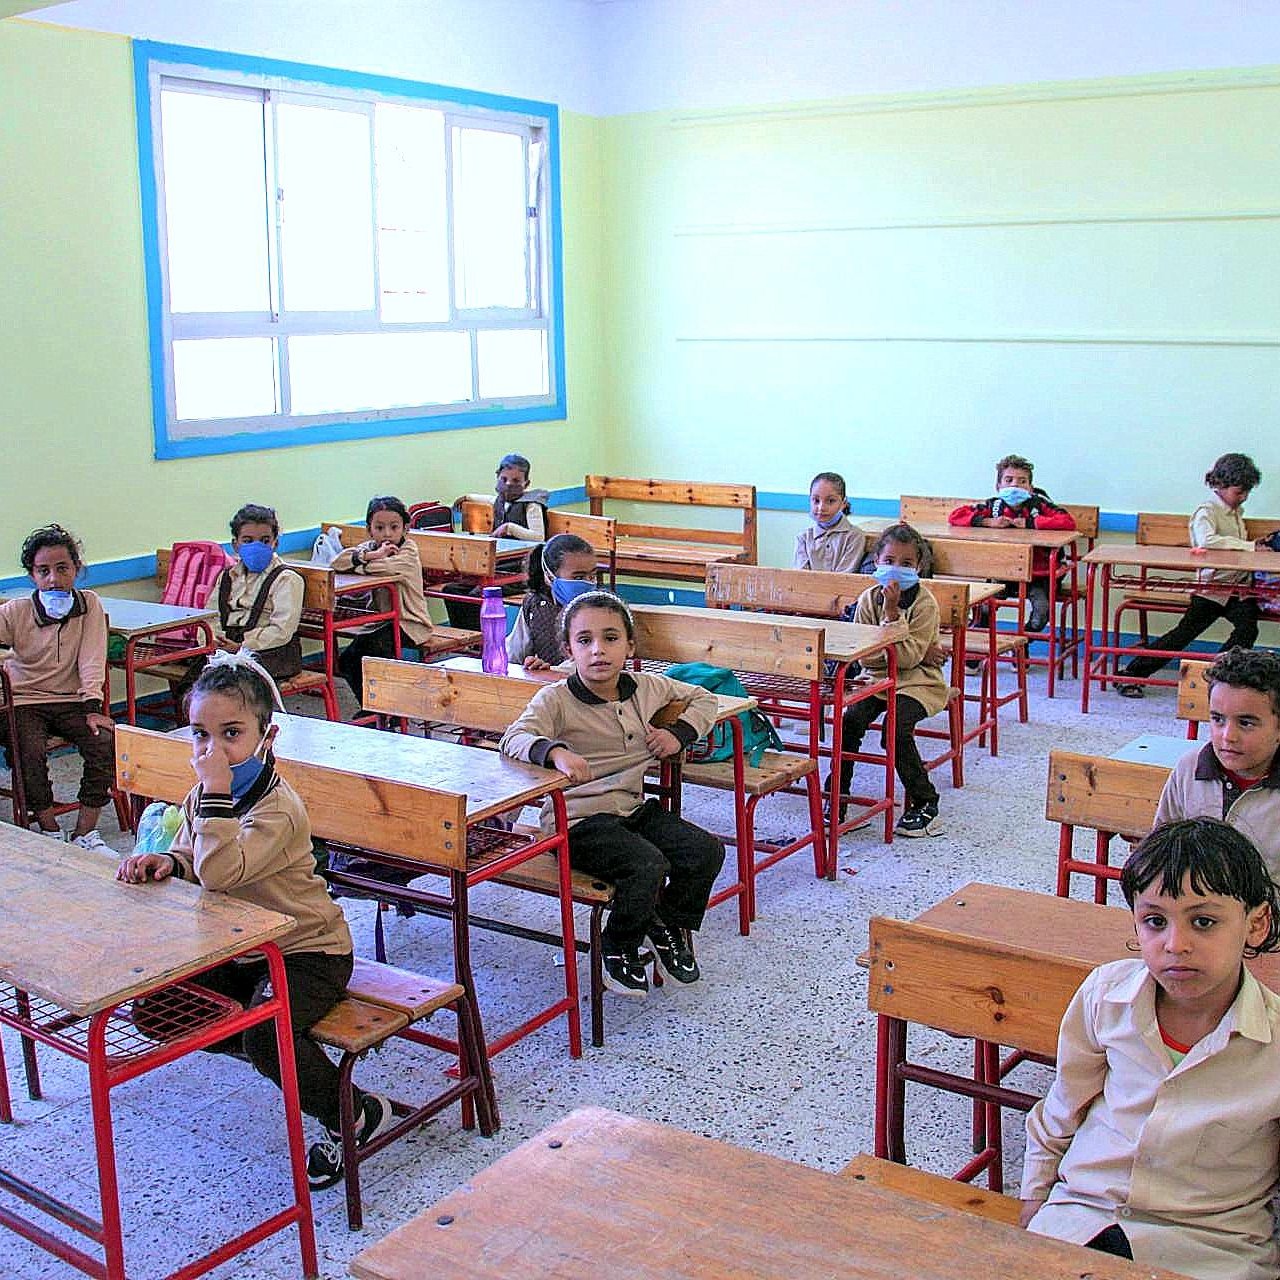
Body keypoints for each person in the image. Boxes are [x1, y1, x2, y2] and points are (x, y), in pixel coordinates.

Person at [115, 655, 392, 1190]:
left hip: (309, 950)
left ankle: (353, 1112)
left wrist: (214, 793)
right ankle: (281, 1054)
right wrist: (168, 861)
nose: (212, 750)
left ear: (268, 736)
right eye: (200, 734)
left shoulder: (277, 807)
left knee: (268, 1035)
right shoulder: (205, 793)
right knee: (155, 1013)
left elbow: (220, 872)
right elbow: (193, 853)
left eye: (232, 733)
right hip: (244, 949)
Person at [1021, 817, 1280, 1278]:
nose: (1175, 945)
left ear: (1256, 924)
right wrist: (1032, 1207)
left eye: (1204, 922)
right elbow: (1062, 1107)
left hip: (1212, 1248)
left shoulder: (1274, 1044)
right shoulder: (1106, 995)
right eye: (1155, 922)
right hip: (1083, 1216)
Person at [498, 591, 725, 997]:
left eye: (611, 638)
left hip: (631, 810)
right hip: (579, 821)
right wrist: (556, 752)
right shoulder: (556, 699)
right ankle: (617, 946)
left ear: (630, 646)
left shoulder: (645, 688)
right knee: (646, 864)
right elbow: (512, 737)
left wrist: (679, 733)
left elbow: (704, 697)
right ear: (568, 650)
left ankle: (664, 923)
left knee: (705, 851)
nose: (598, 651)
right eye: (584, 641)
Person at [0, 524, 114, 851]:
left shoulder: (89, 605)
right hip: (24, 702)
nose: (53, 579)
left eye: (62, 568)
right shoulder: (16, 611)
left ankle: (86, 833)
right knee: (28, 750)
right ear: (32, 576)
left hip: (73, 701)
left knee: (103, 741)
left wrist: (93, 708)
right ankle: (49, 830)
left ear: (76, 570)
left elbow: (92, 659)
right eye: (43, 571)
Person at [1120, 453, 1271, 696]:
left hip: (1237, 591)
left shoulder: (1236, 513)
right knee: (1182, 635)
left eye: (1246, 493)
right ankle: (1130, 674)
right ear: (1220, 485)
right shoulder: (1207, 510)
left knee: (1247, 630)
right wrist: (1250, 546)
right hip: (1212, 588)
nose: (1242, 497)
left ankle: (1220, 677)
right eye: (1238, 491)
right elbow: (1207, 541)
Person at [838, 524, 948, 838]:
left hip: (919, 683)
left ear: (920, 567)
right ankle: (839, 797)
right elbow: (864, 656)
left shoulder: (924, 604)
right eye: (889, 560)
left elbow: (910, 661)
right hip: (875, 678)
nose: (896, 569)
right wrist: (899, 650)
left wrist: (891, 616)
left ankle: (925, 802)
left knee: (895, 730)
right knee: (850, 721)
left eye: (906, 563)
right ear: (876, 560)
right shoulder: (868, 598)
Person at [1153, 648, 1280, 880]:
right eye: (1218, 719)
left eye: (1246, 723)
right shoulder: (1188, 769)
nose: (1227, 736)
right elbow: (1162, 853)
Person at [948, 453, 1076, 634]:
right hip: (1004, 572)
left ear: (1030, 487)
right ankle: (980, 644)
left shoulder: (1040, 505)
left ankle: (1023, 644)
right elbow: (955, 516)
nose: (1015, 485)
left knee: (1042, 611)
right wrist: (986, 522)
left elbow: (1067, 522)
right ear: (998, 486)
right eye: (1008, 480)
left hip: (1039, 575)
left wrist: (1032, 524)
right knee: (983, 605)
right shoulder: (993, 507)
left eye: (1022, 481)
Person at [329, 495, 434, 705]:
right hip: (381, 622)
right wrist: (371, 556)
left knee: (377, 655)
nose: (387, 534)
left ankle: (391, 711)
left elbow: (386, 569)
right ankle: (372, 707)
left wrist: (362, 564)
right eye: (379, 527)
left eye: (394, 527)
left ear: (406, 528)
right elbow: (336, 562)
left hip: (410, 624)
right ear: (369, 529)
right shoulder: (370, 548)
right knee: (348, 660)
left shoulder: (409, 551)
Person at [446, 453, 552, 627]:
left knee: (478, 594)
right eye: (504, 479)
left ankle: (480, 641)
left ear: (526, 484)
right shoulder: (500, 501)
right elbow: (486, 499)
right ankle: (465, 635)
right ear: (498, 477)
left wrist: (509, 527)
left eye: (516, 481)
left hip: (521, 571)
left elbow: (539, 537)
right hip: (498, 567)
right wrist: (467, 497)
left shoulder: (531, 505)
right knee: (452, 590)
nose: (509, 485)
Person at [507, 533, 598, 670]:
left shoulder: (602, 610)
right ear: (549, 577)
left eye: (592, 575)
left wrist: (551, 670)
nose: (587, 583)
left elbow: (594, 661)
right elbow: (514, 654)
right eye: (578, 576)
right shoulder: (535, 606)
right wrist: (530, 665)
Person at [793, 472, 866, 573]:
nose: (821, 507)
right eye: (816, 500)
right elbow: (801, 576)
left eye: (830, 501)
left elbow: (844, 578)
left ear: (843, 503)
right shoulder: (803, 538)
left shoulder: (854, 536)